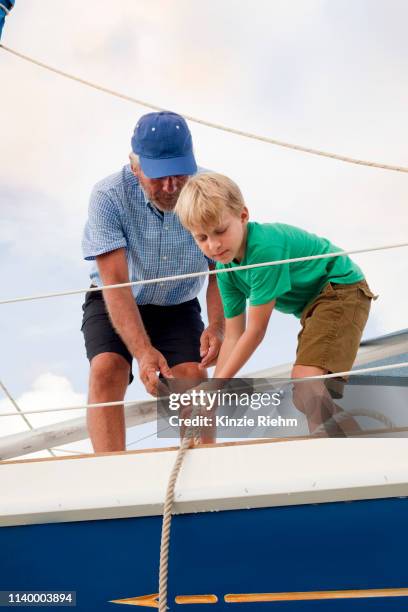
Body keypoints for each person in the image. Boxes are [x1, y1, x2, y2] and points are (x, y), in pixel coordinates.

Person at [175, 172, 377, 436]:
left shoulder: (263, 251)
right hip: (314, 307)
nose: (213, 245)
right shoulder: (225, 270)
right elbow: (234, 336)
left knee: (306, 382)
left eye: (220, 231)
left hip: (340, 288)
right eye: (202, 238)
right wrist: (214, 389)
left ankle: (339, 452)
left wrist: (217, 386)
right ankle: (356, 444)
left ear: (243, 216)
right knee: (303, 395)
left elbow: (255, 332)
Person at [81, 113, 224, 452]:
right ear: (135, 167)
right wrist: (143, 352)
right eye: (159, 176)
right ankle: (111, 477)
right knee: (107, 369)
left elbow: (223, 269)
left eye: (179, 173)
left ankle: (203, 471)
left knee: (191, 376)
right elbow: (115, 282)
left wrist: (218, 326)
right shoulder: (108, 196)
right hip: (114, 298)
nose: (171, 186)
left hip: (178, 304)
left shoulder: (213, 190)